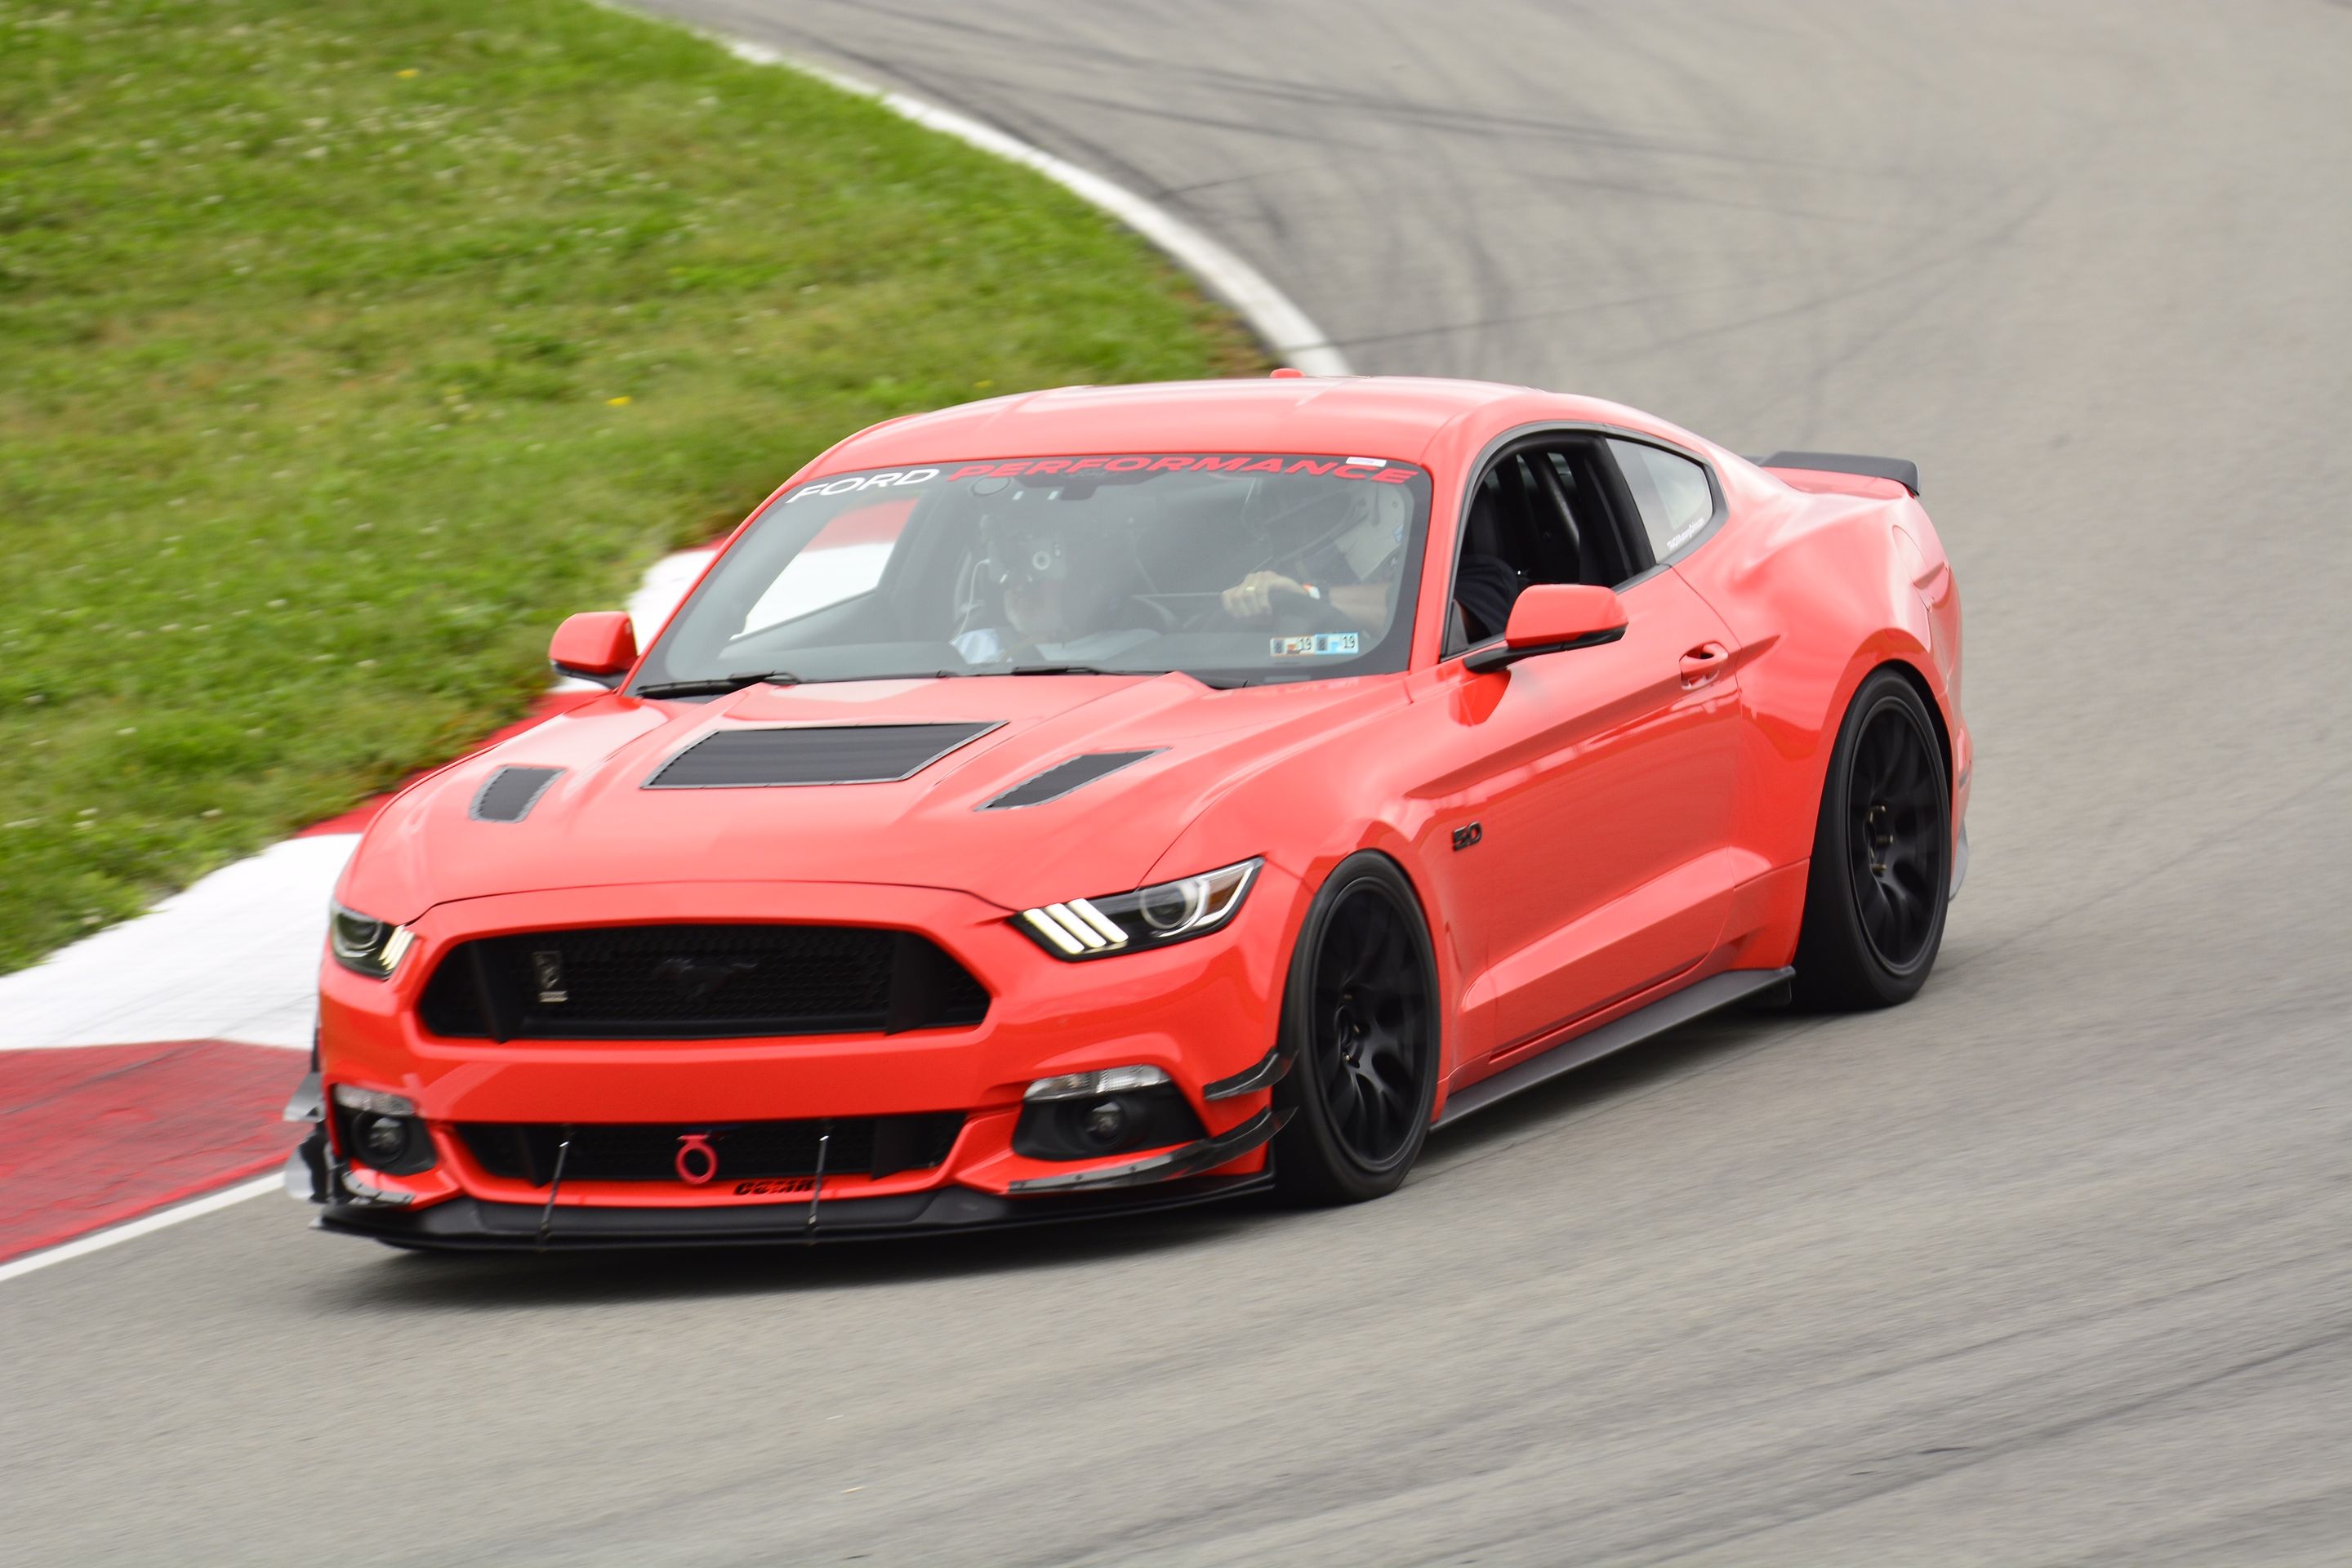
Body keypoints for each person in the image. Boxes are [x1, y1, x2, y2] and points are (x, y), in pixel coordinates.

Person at [951, 511, 1156, 666]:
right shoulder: (964, 651)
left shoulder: (1144, 654)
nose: (1019, 582)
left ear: (1088, 575)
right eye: (1012, 565)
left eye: (1039, 564)